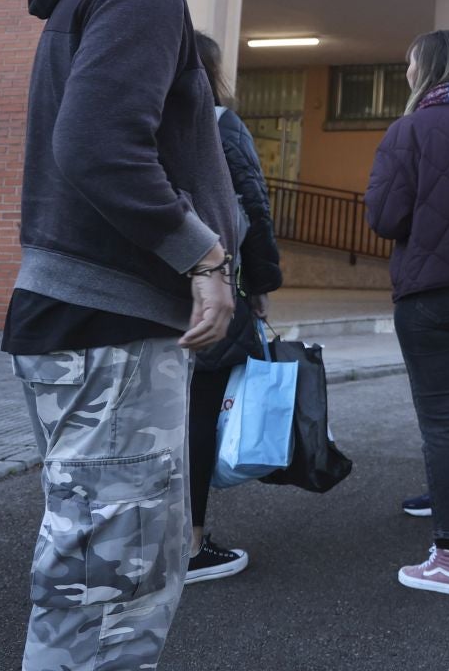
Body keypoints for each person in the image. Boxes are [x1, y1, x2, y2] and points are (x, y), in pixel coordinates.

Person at [4, 0, 236, 670]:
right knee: (114, 587)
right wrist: (202, 255)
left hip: (87, 321)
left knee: (95, 573)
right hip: (109, 325)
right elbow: (98, 144)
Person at [366, 29, 449, 596]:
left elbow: (384, 217)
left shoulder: (408, 130)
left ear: (427, 69)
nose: (407, 72)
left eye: (411, 63)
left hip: (427, 296)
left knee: (442, 423)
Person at [186, 31, 284, 584]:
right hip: (215, 286)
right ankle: (191, 543)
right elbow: (254, 205)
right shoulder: (221, 124)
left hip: (150, 289)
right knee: (200, 411)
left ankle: (138, 538)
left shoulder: (147, 121)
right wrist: (262, 282)